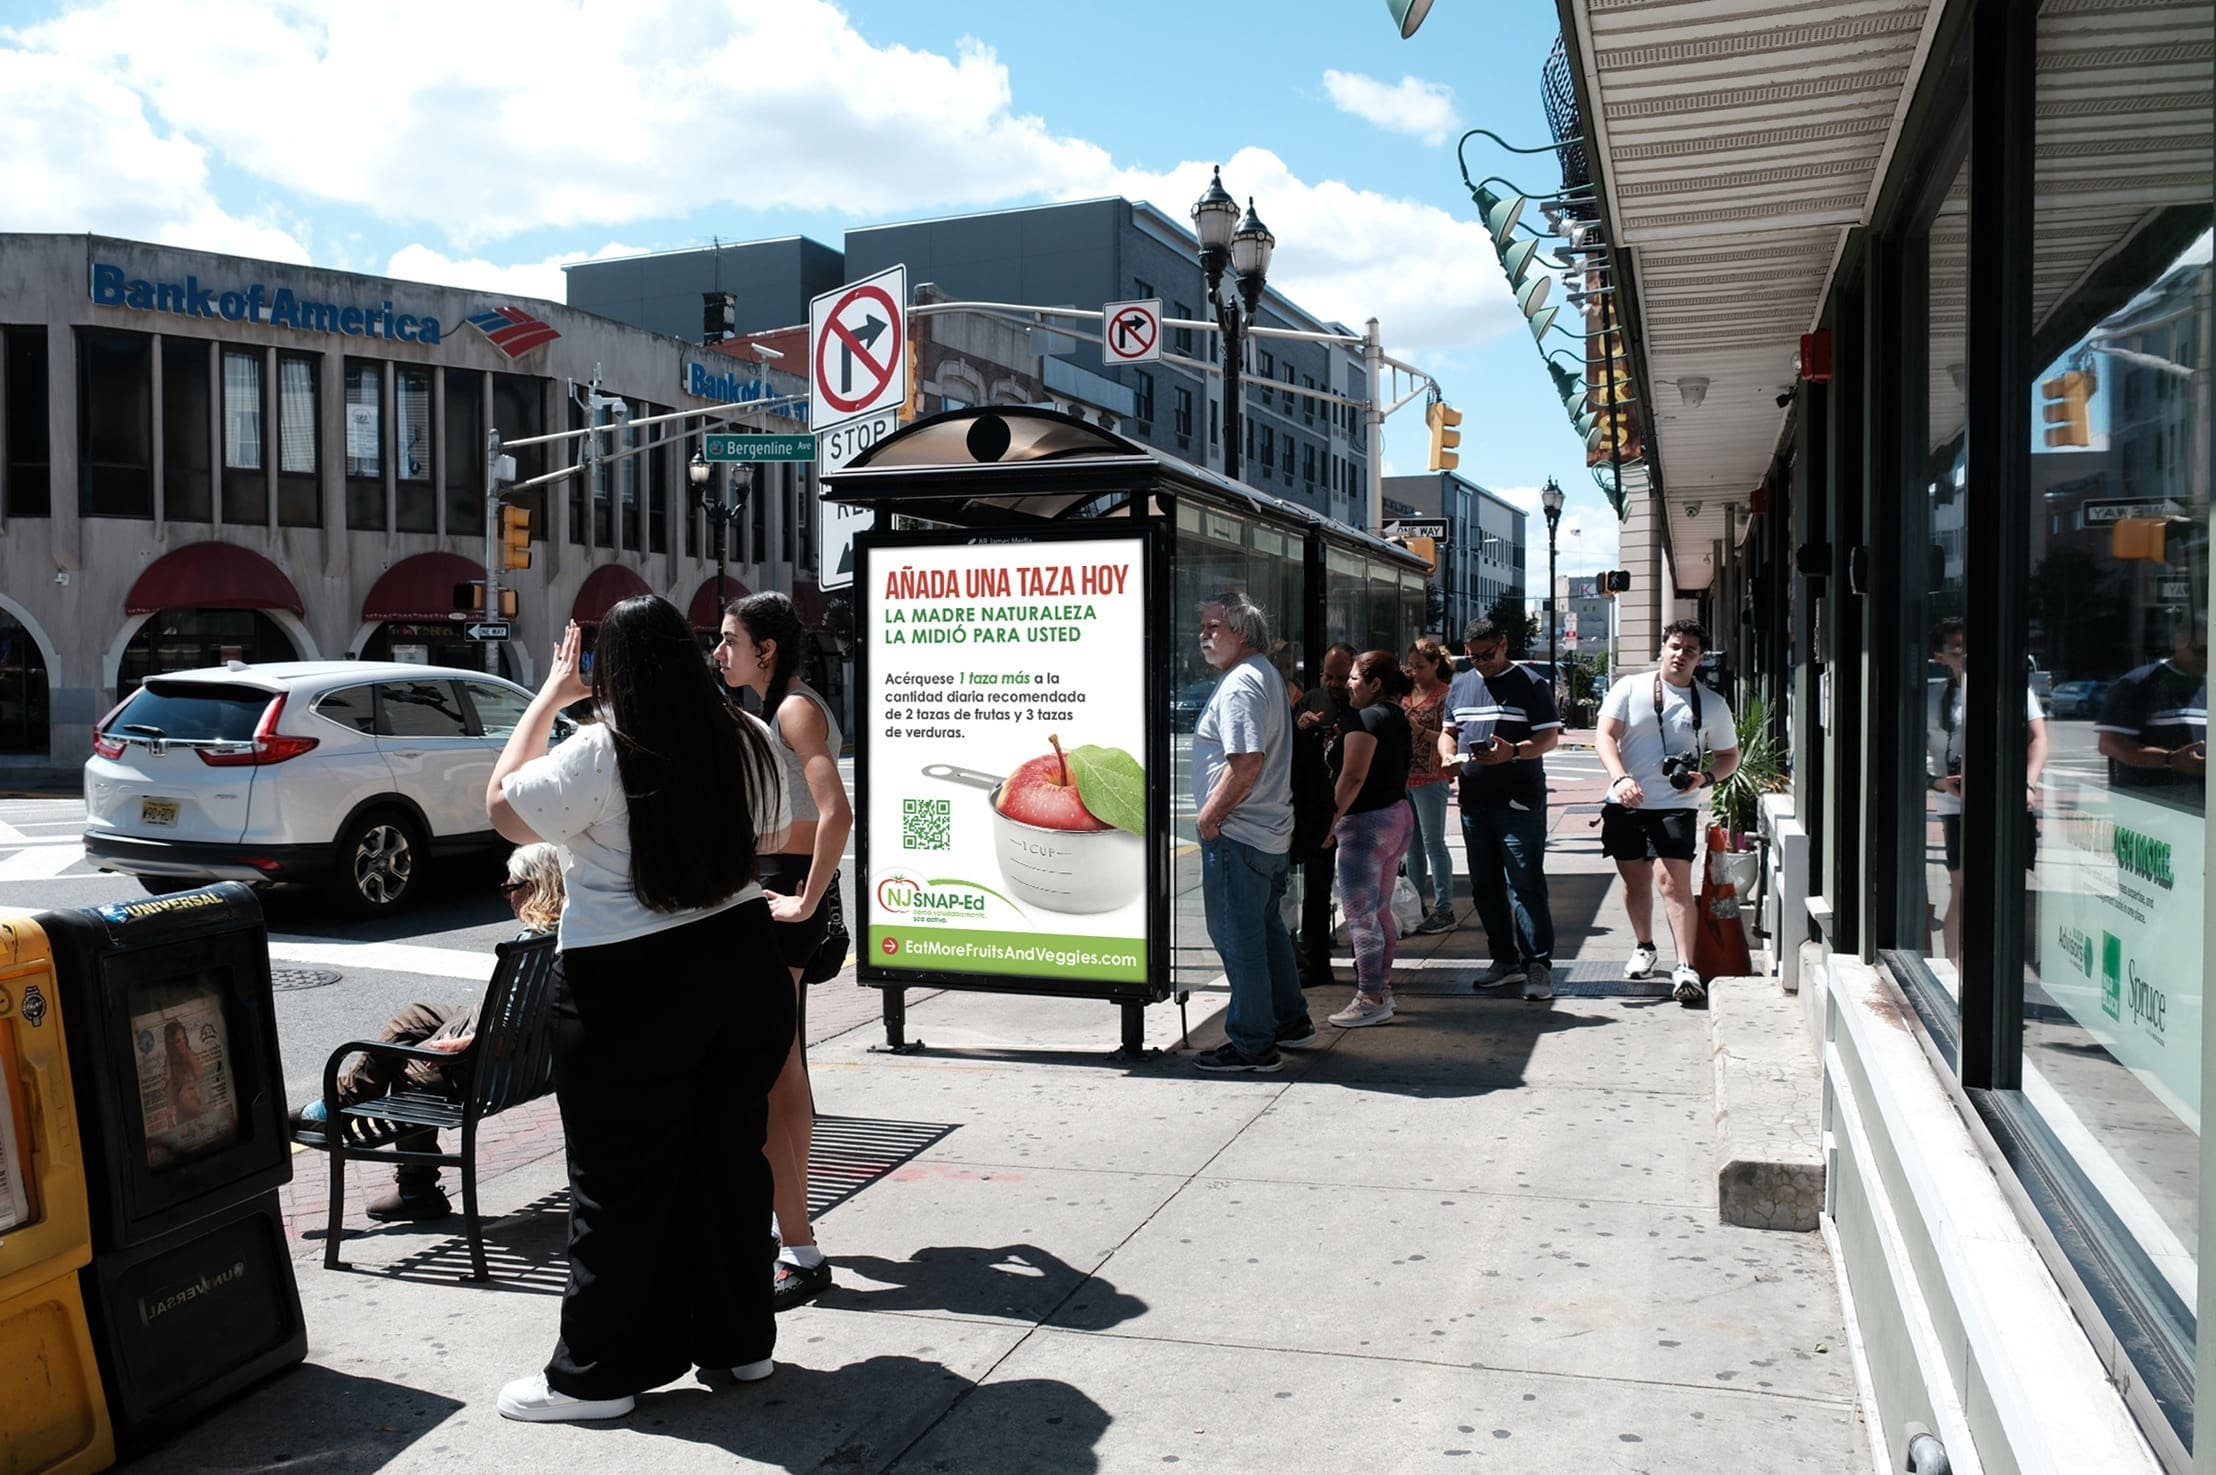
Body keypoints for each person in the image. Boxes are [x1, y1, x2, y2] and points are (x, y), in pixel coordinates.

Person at [486, 599, 790, 1423]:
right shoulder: (745, 734)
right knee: (729, 1163)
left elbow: (503, 806)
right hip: (740, 963)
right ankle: (741, 1343)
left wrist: (548, 695)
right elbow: (775, 826)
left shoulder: (598, 751)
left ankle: (597, 1375)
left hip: (628, 986)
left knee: (617, 1185)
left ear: (606, 672)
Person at [288, 842, 567, 1223]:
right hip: (531, 1058)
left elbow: (508, 1028)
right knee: (415, 1014)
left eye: (511, 887)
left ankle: (413, 1187)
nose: (507, 894)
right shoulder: (568, 932)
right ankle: (341, 1101)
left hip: (486, 1064)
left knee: (407, 1067)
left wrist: (469, 1042)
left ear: (536, 887)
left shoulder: (529, 943)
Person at [715, 591, 854, 1314]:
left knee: (775, 1074)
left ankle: (798, 1248)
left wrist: (804, 899)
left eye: (730, 639)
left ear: (766, 648)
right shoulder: (776, 708)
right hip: (774, 890)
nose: (720, 651)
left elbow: (839, 812)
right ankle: (791, 1231)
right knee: (787, 1069)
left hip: (782, 897)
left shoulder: (794, 708)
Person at [1190, 592, 1312, 1073]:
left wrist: (1209, 819)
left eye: (1213, 626)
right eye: (1203, 626)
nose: (1204, 634)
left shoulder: (1241, 684)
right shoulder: (1261, 673)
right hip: (1266, 831)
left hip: (1240, 833)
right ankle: (1291, 1022)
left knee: (1238, 939)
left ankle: (1252, 1043)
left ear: (1242, 631)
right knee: (1266, 931)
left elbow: (1245, 765)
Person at [1595, 619, 1741, 1005]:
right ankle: (1645, 945)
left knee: (1674, 884)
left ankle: (1685, 967)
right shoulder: (1629, 687)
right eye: (1675, 646)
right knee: (1636, 882)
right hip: (1626, 802)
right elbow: (1605, 736)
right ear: (1663, 647)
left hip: (1676, 805)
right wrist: (1620, 778)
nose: (1680, 655)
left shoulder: (1711, 703)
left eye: (1690, 650)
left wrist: (1705, 778)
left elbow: (1729, 756)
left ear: (1701, 658)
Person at [1439, 618, 1563, 1000]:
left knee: (1524, 884)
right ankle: (1504, 960)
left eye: (1487, 655)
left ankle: (1537, 965)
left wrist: (1515, 753)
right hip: (1474, 798)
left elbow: (1549, 736)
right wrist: (1447, 757)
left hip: (1518, 799)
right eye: (1472, 657)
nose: (1480, 663)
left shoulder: (1530, 683)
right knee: (1484, 886)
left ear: (1504, 644)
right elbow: (1449, 731)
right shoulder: (1461, 684)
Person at [1926, 619, 2049, 965]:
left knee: (2010, 889)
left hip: (2008, 805)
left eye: (1970, 644)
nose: (1965, 652)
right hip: (1957, 807)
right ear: (1940, 656)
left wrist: (2027, 783)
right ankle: (1956, 974)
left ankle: (2002, 973)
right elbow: (1906, 759)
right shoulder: (1932, 699)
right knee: (1963, 889)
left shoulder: (2012, 690)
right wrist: (1939, 783)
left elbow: (2038, 739)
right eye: (1956, 646)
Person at [1325, 650, 1416, 1029]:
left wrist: (1329, 822)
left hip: (1365, 825)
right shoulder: (1395, 717)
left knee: (1361, 915)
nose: (1347, 685)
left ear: (1375, 684)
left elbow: (1352, 777)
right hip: (1396, 817)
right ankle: (1382, 989)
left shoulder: (1366, 719)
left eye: (1354, 679)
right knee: (1379, 910)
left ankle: (1370, 997)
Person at [1294, 641, 1357, 987]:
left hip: (1354, 810)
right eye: (1327, 676)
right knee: (1316, 889)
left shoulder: (1361, 704)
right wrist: (1302, 726)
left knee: (1357, 890)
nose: (1334, 684)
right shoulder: (1314, 699)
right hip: (1318, 807)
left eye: (1341, 677)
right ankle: (1316, 961)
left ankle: (1368, 965)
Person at [2097, 612, 2207, 803]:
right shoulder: (2138, 684)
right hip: (2151, 809)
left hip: (2202, 811)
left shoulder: (2210, 684)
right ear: (2180, 640)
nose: (2208, 659)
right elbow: (2109, 743)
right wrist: (2170, 759)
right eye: (2202, 651)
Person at [1403, 637, 1459, 935]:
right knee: (1411, 847)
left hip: (1431, 777)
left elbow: (1448, 736)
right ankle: (1415, 904)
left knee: (1433, 842)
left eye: (1420, 666)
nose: (1415, 672)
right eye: (1411, 666)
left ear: (1436, 664)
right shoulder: (1405, 691)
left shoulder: (1444, 695)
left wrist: (1419, 730)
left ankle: (1444, 906)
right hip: (1405, 777)